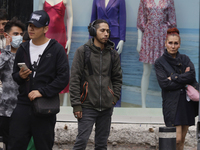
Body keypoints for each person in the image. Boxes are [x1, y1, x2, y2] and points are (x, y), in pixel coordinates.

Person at [8, 10, 69, 150]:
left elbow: (63, 78)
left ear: (46, 28)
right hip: (23, 104)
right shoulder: (22, 48)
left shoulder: (57, 50)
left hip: (45, 106)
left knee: (43, 145)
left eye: (36, 26)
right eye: (30, 25)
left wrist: (42, 92)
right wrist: (20, 76)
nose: (31, 29)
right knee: (15, 143)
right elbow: (15, 75)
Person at [70, 19, 122, 149]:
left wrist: (114, 98)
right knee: (81, 142)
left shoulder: (113, 54)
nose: (106, 34)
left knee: (101, 144)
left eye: (108, 31)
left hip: (106, 107)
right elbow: (75, 78)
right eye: (102, 30)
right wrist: (76, 104)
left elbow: (117, 78)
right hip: (87, 106)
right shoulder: (82, 51)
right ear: (93, 32)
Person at [155, 28, 197, 150]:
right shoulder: (160, 62)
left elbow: (192, 76)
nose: (173, 46)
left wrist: (173, 77)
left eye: (176, 43)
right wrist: (184, 79)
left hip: (186, 102)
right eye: (170, 43)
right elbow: (164, 84)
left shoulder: (185, 59)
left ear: (179, 44)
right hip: (172, 103)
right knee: (175, 139)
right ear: (165, 43)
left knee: (182, 139)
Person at [136, 0, 176, 108]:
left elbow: (172, 21)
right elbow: (141, 21)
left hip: (164, 36)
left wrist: (172, 43)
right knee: (146, 71)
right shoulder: (145, 0)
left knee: (167, 71)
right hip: (149, 35)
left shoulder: (169, 0)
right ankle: (143, 105)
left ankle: (167, 103)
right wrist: (139, 40)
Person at [34, 0, 73, 102]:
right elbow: (36, 17)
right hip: (45, 35)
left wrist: (69, 38)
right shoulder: (42, 0)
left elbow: (70, 17)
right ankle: (42, 92)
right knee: (43, 63)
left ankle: (64, 102)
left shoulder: (66, 0)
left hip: (60, 35)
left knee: (62, 66)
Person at [90, 0, 126, 107]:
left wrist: (122, 39)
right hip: (98, 37)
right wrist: (91, 38)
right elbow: (93, 18)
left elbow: (123, 18)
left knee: (115, 71)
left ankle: (116, 102)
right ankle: (98, 101)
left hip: (114, 36)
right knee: (97, 68)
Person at [0, 17, 25, 148]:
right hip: (5, 109)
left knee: (18, 143)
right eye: (15, 34)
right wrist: (6, 49)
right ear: (7, 35)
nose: (19, 37)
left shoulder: (26, 54)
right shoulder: (4, 55)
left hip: (23, 107)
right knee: (7, 142)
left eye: (21, 34)